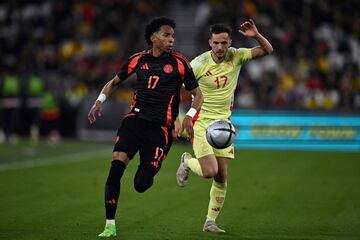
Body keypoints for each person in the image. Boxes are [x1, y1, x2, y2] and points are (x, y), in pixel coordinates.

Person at [88, 16, 203, 237]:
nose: (171, 39)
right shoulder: (137, 59)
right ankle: (109, 225)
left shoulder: (180, 63)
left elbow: (198, 94)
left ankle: (152, 169)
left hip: (160, 130)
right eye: (167, 35)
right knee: (115, 170)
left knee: (141, 183)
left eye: (173, 36)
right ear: (154, 38)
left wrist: (188, 116)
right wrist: (99, 101)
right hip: (134, 121)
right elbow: (113, 81)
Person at [176, 19, 273, 232]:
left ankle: (210, 221)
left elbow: (267, 50)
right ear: (209, 43)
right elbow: (176, 89)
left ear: (229, 43)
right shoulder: (198, 65)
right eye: (216, 43)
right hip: (201, 122)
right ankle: (186, 161)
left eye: (224, 43)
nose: (220, 47)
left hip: (223, 125)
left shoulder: (236, 56)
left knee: (222, 175)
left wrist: (256, 34)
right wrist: (180, 117)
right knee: (210, 171)